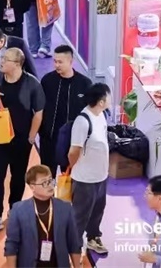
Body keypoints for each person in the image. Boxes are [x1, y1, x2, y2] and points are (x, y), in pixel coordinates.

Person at [0, 47, 45, 232]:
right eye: (2, 58)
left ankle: (14, 209)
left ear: (17, 64)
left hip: (20, 141)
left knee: (18, 178)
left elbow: (38, 112)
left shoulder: (31, 83)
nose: (1, 61)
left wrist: (31, 138)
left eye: (6, 59)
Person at [4, 165, 81, 267]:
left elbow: (74, 243)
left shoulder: (65, 208)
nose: (50, 185)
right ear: (32, 187)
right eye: (45, 183)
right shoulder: (18, 210)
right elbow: (11, 246)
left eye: (51, 181)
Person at [66, 83, 111, 258]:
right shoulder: (82, 121)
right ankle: (74, 247)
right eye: (108, 97)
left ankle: (93, 238)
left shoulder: (101, 116)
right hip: (85, 179)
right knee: (80, 215)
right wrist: (76, 169)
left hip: (101, 176)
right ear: (101, 102)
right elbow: (73, 152)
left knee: (98, 210)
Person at [39, 45, 92, 176]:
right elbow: (39, 107)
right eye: (55, 61)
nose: (56, 65)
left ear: (70, 61)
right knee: (46, 176)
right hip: (49, 139)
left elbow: (90, 113)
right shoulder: (47, 81)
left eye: (60, 62)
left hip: (72, 142)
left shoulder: (84, 84)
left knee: (69, 178)